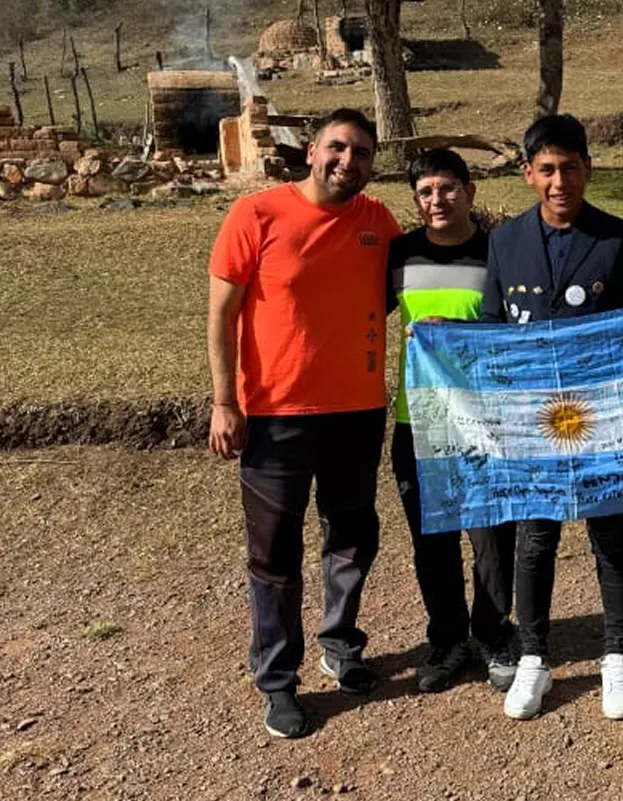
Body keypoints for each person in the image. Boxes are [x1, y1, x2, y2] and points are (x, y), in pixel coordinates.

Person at [207, 108, 401, 739]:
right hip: (273, 415)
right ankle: (278, 679)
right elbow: (221, 316)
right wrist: (223, 402)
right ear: (312, 150)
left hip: (357, 411)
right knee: (274, 554)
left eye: (364, 152)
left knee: (351, 535)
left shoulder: (379, 223)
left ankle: (340, 645)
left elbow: (413, 286)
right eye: (339, 148)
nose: (350, 161)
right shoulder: (255, 216)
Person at [479, 113, 623, 721]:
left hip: (600, 417)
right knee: (535, 537)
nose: (558, 181)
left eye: (569, 168)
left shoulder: (617, 238)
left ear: (587, 169)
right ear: (527, 175)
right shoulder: (505, 241)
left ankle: (619, 654)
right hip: (531, 418)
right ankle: (533, 656)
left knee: (609, 532)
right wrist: (450, 336)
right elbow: (496, 330)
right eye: (545, 170)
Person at [387, 148, 518, 694]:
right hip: (417, 418)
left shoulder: (500, 253)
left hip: (485, 419)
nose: (436, 200)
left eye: (447, 188)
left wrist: (461, 335)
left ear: (470, 190)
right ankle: (447, 639)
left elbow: (517, 332)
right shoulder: (399, 254)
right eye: (424, 192)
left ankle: (492, 632)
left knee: (492, 532)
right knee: (431, 537)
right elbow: (361, 314)